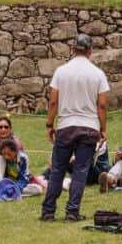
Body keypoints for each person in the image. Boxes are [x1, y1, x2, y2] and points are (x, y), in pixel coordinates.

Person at [41, 33, 110, 222]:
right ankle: (72, 211)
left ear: (72, 49)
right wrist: (103, 128)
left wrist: (49, 124)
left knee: (57, 169)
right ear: (90, 51)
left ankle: (48, 211)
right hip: (88, 127)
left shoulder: (61, 72)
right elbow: (102, 105)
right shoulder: (98, 74)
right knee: (80, 170)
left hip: (65, 125)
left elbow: (53, 101)